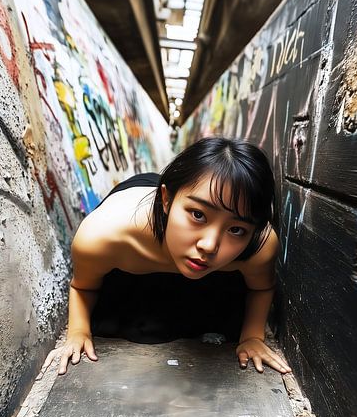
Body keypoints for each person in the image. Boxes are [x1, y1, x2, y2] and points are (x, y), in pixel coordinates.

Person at [46, 137, 292, 375]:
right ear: (166, 199)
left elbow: (260, 289)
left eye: (235, 230)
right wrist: (78, 332)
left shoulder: (259, 246)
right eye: (198, 215)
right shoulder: (103, 235)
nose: (209, 246)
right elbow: (83, 287)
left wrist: (252, 337)